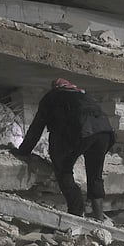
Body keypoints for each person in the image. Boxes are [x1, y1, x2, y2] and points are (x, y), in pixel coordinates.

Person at [15, 78, 114, 220]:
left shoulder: (51, 97)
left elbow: (37, 127)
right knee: (95, 175)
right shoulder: (83, 95)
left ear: (55, 87)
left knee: (63, 169)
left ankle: (76, 214)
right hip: (104, 133)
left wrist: (23, 151)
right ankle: (99, 218)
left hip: (81, 130)